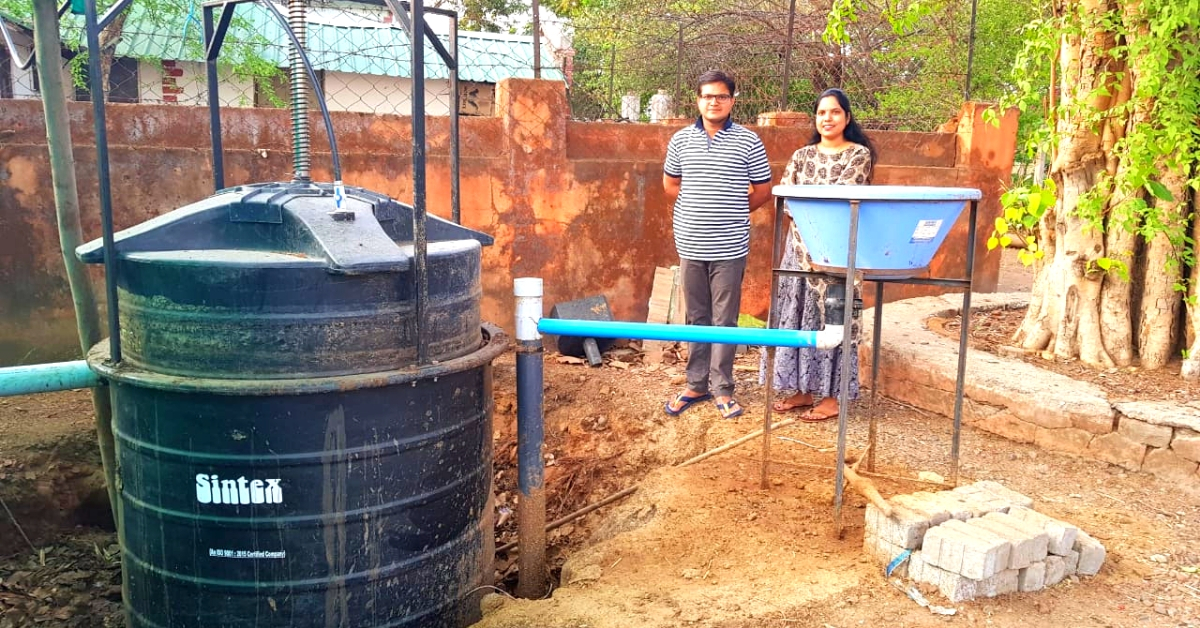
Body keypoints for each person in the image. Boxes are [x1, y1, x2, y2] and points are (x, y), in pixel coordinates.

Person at [662, 70, 773, 420]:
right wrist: (698, 207)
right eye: (708, 96)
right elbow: (670, 185)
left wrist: (732, 211)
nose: (714, 102)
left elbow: (763, 191)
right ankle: (696, 384)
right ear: (698, 100)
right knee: (696, 317)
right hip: (691, 244)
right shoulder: (681, 140)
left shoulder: (748, 141)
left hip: (730, 248)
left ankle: (723, 388)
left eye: (722, 96)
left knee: (724, 320)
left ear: (732, 101)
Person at [765, 88, 876, 422]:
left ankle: (832, 397)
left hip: (836, 253)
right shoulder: (801, 156)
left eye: (835, 112)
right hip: (798, 248)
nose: (827, 118)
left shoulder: (859, 155)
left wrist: (806, 202)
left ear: (847, 117)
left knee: (834, 318)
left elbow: (841, 197)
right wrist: (804, 210)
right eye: (821, 113)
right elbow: (783, 199)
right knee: (797, 315)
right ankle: (802, 389)